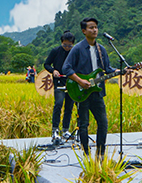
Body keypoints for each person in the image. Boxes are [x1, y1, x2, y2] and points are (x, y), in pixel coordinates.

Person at [62, 18, 112, 158]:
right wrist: (80, 81)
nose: (94, 30)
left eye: (96, 27)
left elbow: (107, 69)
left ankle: (100, 154)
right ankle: (86, 155)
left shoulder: (101, 49)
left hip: (97, 92)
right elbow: (66, 68)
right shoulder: (77, 48)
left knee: (103, 123)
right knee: (83, 124)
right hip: (82, 92)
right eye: (91, 27)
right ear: (84, 31)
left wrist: (123, 70)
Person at [43, 32, 76, 143]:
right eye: (65, 45)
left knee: (69, 107)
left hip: (72, 82)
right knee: (58, 104)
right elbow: (46, 64)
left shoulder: (75, 52)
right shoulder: (55, 51)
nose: (67, 48)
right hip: (59, 82)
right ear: (61, 43)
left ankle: (65, 130)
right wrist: (53, 71)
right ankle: (55, 130)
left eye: (69, 46)